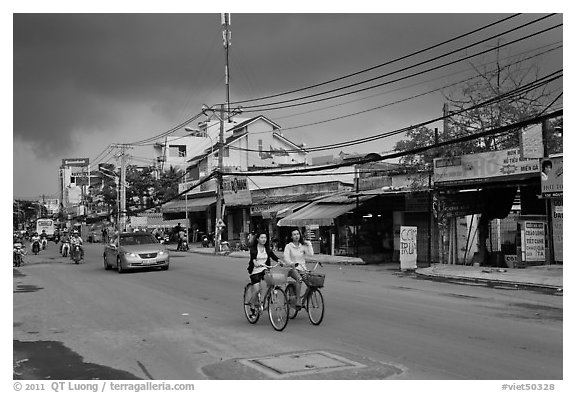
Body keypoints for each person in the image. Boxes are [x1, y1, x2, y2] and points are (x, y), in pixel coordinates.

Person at [246, 232, 280, 315]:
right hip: (255, 270)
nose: (264, 239)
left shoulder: (267, 249)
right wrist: (255, 262)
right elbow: (253, 258)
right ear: (257, 239)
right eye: (262, 237)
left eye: (265, 237)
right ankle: (252, 305)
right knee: (257, 289)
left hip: (264, 269)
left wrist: (279, 261)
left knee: (272, 280)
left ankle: (269, 297)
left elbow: (273, 256)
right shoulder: (253, 249)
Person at [283, 228, 314, 309]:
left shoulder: (302, 246)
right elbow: (286, 258)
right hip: (292, 269)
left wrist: (309, 244)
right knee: (299, 279)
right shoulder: (289, 246)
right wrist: (291, 263)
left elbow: (311, 254)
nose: (296, 236)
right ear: (291, 236)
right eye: (294, 234)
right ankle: (297, 300)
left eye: (298, 234)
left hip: (302, 269)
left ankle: (303, 301)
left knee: (312, 284)